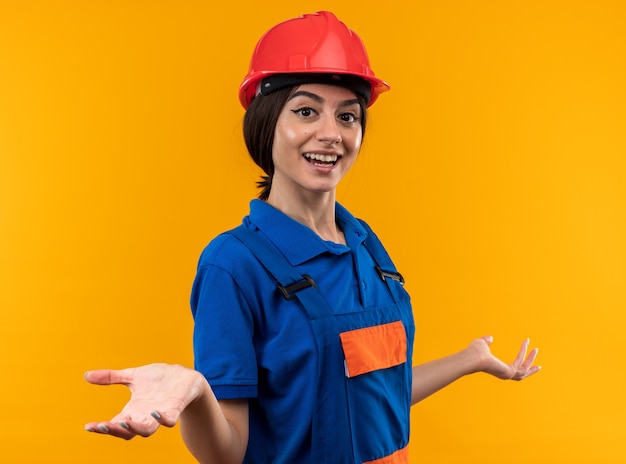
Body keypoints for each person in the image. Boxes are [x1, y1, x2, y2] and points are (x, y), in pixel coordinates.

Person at [84, 11, 540, 464]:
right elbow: (228, 452)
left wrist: (470, 358)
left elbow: (373, 396)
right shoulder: (233, 264)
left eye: (348, 116)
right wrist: (198, 393)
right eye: (306, 111)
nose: (331, 134)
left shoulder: (366, 246)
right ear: (266, 124)